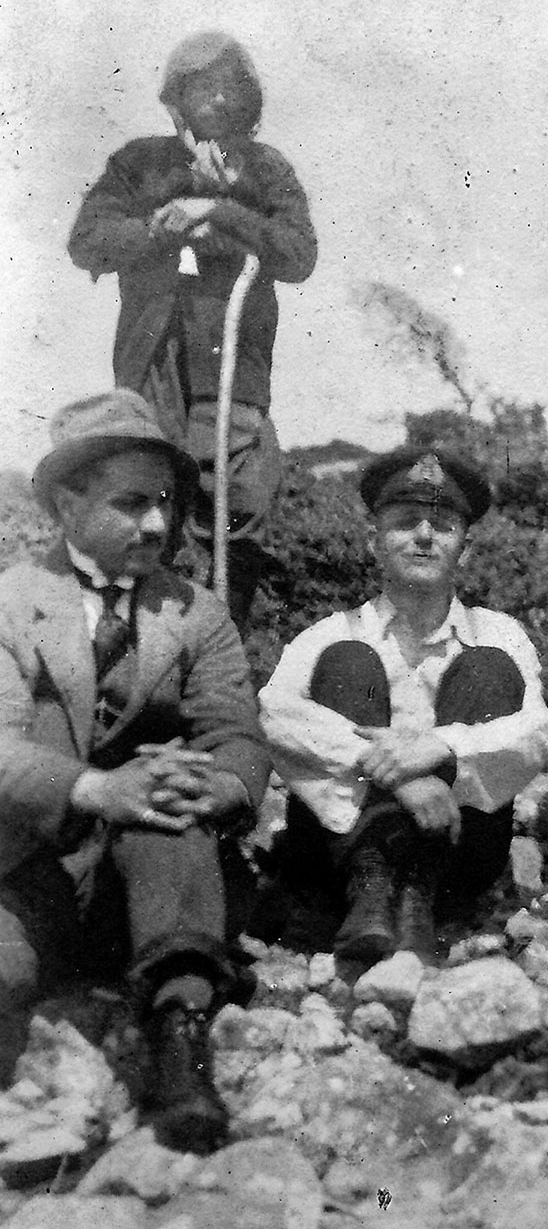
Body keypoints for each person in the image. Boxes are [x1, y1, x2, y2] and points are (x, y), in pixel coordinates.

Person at [0, 391, 273, 1152]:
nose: (156, 525)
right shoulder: (11, 604)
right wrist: (97, 789)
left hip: (154, 872)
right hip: (30, 867)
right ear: (66, 502)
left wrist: (221, 783)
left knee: (172, 825)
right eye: (130, 504)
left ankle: (178, 1053)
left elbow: (236, 733)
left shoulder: (196, 611)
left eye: (163, 503)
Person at [258, 445, 548, 964]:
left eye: (441, 524)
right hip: (339, 858)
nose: (423, 535)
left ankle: (417, 896)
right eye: (405, 521)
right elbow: (275, 718)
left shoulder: (500, 635)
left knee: (487, 670)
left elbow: (535, 734)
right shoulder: (331, 634)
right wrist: (401, 777)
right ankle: (371, 888)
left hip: (458, 853)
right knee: (349, 664)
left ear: (467, 547)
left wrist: (440, 749)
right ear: (375, 541)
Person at [67, 31, 319, 630]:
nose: (216, 99)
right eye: (202, 86)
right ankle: (141, 653)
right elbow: (87, 242)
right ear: (177, 96)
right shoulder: (138, 163)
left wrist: (223, 210)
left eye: (230, 87)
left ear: (247, 100)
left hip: (232, 366)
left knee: (240, 500)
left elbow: (298, 254)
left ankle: (219, 648)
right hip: (151, 365)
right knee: (147, 503)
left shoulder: (264, 167)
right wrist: (163, 228)